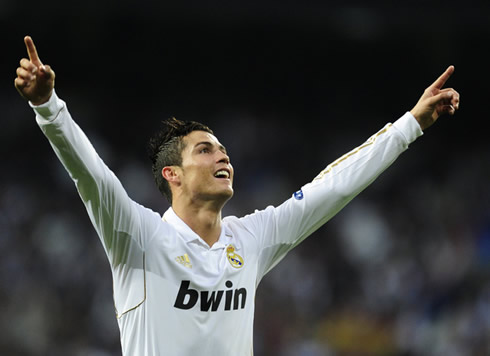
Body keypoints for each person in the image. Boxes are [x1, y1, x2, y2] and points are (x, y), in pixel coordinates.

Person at [15, 35, 460, 356]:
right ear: (173, 174)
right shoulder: (138, 236)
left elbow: (334, 187)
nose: (222, 156)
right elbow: (90, 175)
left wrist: (410, 125)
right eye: (205, 150)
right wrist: (48, 107)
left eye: (224, 149)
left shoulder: (250, 239)